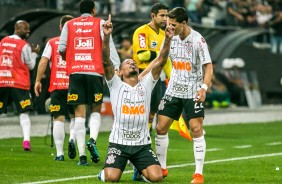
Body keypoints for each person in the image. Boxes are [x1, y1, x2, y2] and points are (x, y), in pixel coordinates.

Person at [97, 14, 174, 182]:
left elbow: (160, 61)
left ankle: (140, 168)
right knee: (111, 178)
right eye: (127, 63)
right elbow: (105, 61)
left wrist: (168, 39)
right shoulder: (115, 83)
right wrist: (107, 36)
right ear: (120, 72)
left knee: (157, 177)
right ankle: (105, 171)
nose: (132, 63)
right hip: (118, 144)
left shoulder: (146, 84)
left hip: (141, 146)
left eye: (134, 63)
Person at [151, 7, 213, 183]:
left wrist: (203, 88)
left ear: (184, 23)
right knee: (160, 128)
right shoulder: (170, 36)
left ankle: (198, 174)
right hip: (173, 89)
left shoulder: (198, 40)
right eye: (168, 24)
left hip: (193, 90)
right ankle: (162, 168)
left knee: (196, 129)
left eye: (173, 25)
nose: (169, 27)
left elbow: (208, 66)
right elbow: (161, 59)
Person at [58, 0, 120, 166]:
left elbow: (61, 48)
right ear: (94, 10)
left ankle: (82, 157)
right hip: (94, 72)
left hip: (76, 72)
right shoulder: (100, 23)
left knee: (79, 115)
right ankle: (92, 139)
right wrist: (117, 66)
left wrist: (72, 59)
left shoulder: (69, 25)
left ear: (79, 11)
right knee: (95, 110)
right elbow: (110, 48)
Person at [34, 15, 76, 161]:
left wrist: (38, 80)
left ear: (60, 27)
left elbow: (43, 61)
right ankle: (72, 140)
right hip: (75, 85)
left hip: (58, 86)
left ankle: (59, 154)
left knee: (58, 119)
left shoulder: (52, 42)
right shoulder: (78, 42)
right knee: (76, 118)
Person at [0, 20, 40, 151]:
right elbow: (31, 65)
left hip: (3, 81)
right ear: (16, 29)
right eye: (25, 29)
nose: (28, 31)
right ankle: (26, 141)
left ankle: (26, 142)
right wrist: (34, 54)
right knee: (24, 112)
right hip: (18, 83)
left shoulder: (3, 41)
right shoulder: (24, 45)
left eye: (28, 28)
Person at [132, 2, 172, 134]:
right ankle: (137, 135)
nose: (165, 19)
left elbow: (166, 61)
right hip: (143, 76)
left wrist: (172, 78)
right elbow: (143, 55)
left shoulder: (164, 35)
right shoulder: (142, 31)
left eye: (166, 16)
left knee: (152, 113)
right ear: (153, 15)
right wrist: (161, 55)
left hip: (159, 78)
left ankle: (146, 136)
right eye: (162, 15)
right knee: (141, 111)